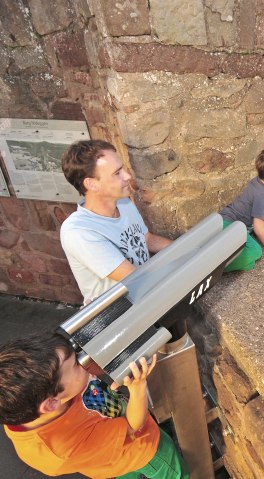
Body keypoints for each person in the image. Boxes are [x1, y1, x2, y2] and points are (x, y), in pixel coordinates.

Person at [0, 332, 189, 479]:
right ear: (51, 403)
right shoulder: (64, 447)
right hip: (144, 455)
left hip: (109, 448)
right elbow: (133, 426)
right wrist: (138, 387)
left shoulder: (27, 404)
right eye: (75, 365)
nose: (82, 362)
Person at [60, 140, 172, 304]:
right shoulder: (78, 232)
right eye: (117, 173)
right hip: (118, 315)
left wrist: (191, 250)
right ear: (92, 184)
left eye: (123, 169)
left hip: (145, 298)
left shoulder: (123, 203)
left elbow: (148, 240)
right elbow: (133, 278)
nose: (127, 176)